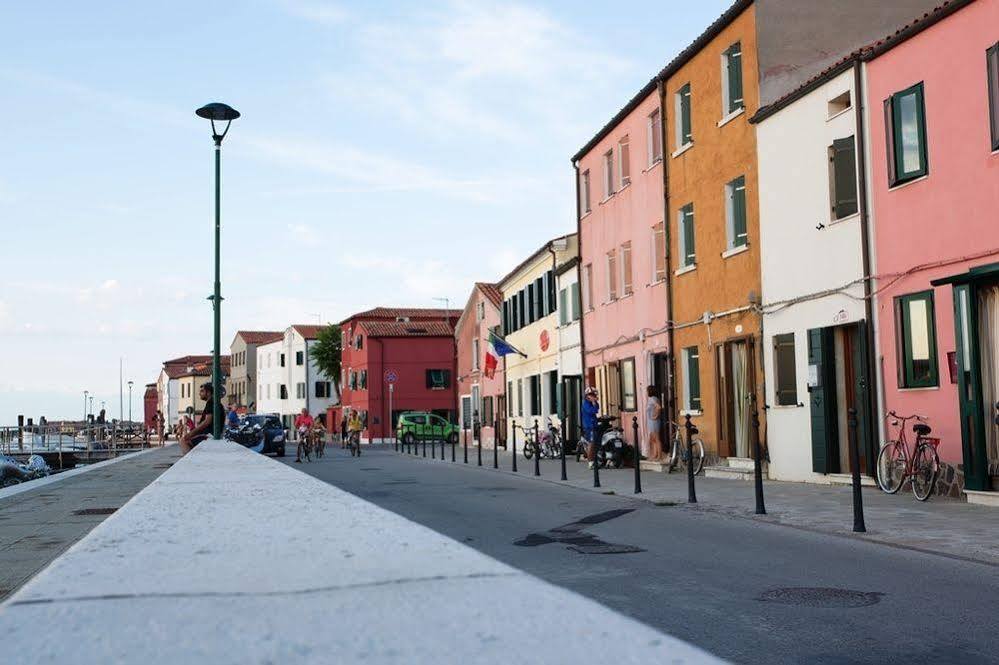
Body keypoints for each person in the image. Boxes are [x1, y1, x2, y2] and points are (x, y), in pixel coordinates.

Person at [180, 382, 219, 455]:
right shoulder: (212, 402)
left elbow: (207, 421)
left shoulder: (210, 403)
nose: (199, 393)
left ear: (208, 392)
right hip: (208, 434)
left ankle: (190, 463)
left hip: (208, 435)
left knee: (183, 440)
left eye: (202, 391)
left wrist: (192, 433)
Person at [581, 387, 600, 468]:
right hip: (589, 426)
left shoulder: (593, 403)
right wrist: (593, 403)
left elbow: (597, 408)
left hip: (594, 425)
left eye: (594, 395)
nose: (594, 396)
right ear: (587, 396)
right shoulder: (585, 403)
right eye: (592, 395)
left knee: (596, 443)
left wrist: (594, 402)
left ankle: (596, 459)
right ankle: (590, 462)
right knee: (591, 443)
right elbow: (592, 411)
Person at [645, 385, 663, 462]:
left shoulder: (652, 399)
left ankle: (659, 456)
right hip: (651, 422)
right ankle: (655, 455)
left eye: (647, 391)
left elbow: (659, 407)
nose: (646, 392)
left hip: (654, 422)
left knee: (656, 439)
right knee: (652, 439)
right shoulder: (652, 399)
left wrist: (655, 416)